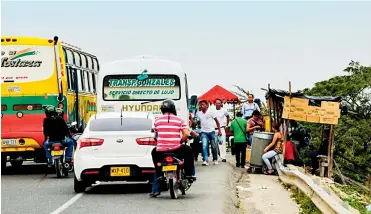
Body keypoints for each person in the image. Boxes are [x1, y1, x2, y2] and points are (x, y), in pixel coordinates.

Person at [150, 99, 195, 197]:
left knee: (154, 153)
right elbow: (186, 134)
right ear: (173, 109)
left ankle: (159, 175)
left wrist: (161, 142)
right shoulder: (179, 120)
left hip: (161, 151)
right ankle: (188, 174)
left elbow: (155, 136)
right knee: (189, 151)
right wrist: (181, 141)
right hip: (176, 149)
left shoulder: (157, 121)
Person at [198, 100, 222, 166]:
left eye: (203, 105)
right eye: (200, 105)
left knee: (213, 146)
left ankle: (215, 159)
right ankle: (205, 160)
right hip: (203, 132)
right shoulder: (199, 113)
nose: (201, 106)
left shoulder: (211, 112)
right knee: (204, 146)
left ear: (207, 106)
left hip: (211, 132)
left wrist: (219, 130)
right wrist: (191, 119)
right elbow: (198, 122)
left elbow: (217, 122)